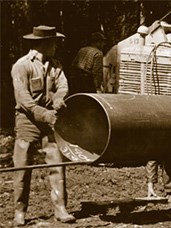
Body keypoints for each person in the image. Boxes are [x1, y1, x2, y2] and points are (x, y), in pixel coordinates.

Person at [10, 25, 75, 225]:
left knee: (57, 162)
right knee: (22, 166)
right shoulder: (22, 66)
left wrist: (58, 98)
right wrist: (44, 114)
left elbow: (63, 85)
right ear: (44, 43)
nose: (57, 46)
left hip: (51, 119)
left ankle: (60, 208)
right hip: (27, 120)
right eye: (54, 42)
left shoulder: (55, 65)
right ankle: (19, 212)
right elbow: (24, 100)